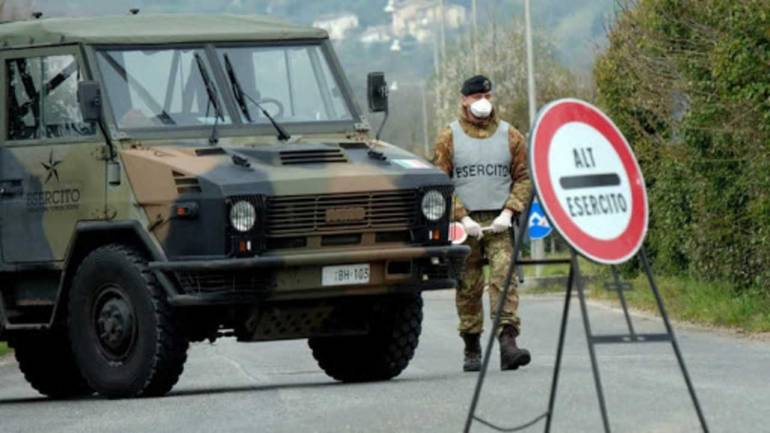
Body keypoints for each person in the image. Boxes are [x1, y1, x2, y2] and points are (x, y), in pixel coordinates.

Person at [433, 75, 532, 372]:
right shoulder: (448, 137)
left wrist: (509, 211)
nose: (483, 102)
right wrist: (461, 216)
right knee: (468, 285)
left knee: (504, 276)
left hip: (499, 222)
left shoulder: (510, 135)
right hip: (465, 226)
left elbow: (523, 178)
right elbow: (439, 183)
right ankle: (471, 345)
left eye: (487, 96)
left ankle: (507, 343)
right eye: (477, 97)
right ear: (464, 100)